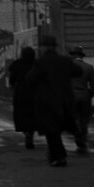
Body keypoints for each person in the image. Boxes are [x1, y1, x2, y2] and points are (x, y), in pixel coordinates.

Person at [21, 34, 78, 167]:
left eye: (40, 47)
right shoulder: (65, 61)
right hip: (65, 100)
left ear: (44, 48)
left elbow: (29, 79)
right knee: (57, 129)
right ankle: (56, 155)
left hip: (47, 101)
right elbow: (77, 71)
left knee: (51, 131)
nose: (39, 49)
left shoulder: (41, 63)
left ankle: (59, 156)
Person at [69, 46, 94, 155]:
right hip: (85, 95)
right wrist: (90, 94)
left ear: (73, 55)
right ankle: (83, 140)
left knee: (74, 118)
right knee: (84, 120)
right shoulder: (89, 67)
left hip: (72, 95)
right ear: (81, 56)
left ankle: (77, 136)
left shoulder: (69, 67)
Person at [7, 46, 38, 148]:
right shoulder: (36, 64)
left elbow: (12, 79)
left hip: (20, 92)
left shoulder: (17, 64)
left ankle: (26, 132)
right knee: (33, 115)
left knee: (21, 115)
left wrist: (12, 87)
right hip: (34, 93)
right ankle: (30, 133)